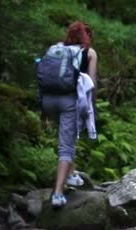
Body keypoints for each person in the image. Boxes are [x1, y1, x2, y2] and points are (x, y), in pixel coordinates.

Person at [41, 22, 98, 207]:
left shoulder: (57, 49)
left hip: (48, 101)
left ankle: (71, 175)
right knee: (66, 145)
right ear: (86, 36)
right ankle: (57, 193)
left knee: (67, 139)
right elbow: (91, 83)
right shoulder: (89, 53)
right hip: (68, 102)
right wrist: (91, 110)